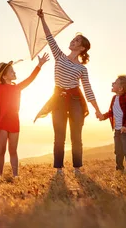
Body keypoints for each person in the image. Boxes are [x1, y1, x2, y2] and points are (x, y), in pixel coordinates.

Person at [34, 9, 102, 175]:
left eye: (77, 40)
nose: (73, 40)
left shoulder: (81, 68)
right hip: (58, 99)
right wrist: (42, 18)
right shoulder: (59, 56)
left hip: (75, 101)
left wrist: (97, 109)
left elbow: (88, 89)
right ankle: (59, 169)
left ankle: (77, 168)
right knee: (59, 135)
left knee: (76, 136)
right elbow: (50, 37)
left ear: (82, 47)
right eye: (74, 38)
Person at [0, 48, 49, 178]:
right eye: (11, 71)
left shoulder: (17, 87)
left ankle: (16, 176)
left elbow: (30, 79)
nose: (14, 72)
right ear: (4, 76)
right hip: (2, 122)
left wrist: (39, 65)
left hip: (14, 121)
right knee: (1, 150)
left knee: (13, 150)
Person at [99, 75, 126, 172]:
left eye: (115, 83)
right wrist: (103, 116)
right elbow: (112, 112)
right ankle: (119, 168)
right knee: (118, 151)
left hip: (125, 129)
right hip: (117, 129)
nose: (112, 84)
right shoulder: (114, 98)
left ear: (120, 88)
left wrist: (125, 126)